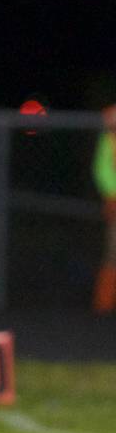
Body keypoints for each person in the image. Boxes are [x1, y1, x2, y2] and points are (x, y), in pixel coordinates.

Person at [92, 105, 116, 314]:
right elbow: (102, 170)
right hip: (115, 201)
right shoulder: (109, 139)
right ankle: (104, 305)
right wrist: (111, 195)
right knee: (112, 252)